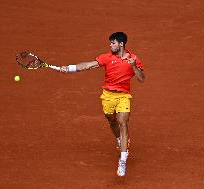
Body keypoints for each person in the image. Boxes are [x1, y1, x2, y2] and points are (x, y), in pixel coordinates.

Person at [60, 32, 145, 177]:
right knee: (112, 120)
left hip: (123, 96)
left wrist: (134, 67)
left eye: (113, 43)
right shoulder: (106, 57)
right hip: (107, 96)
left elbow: (142, 79)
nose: (110, 45)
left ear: (121, 44)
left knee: (123, 122)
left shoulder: (134, 59)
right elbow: (88, 65)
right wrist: (70, 68)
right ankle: (119, 139)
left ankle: (123, 159)